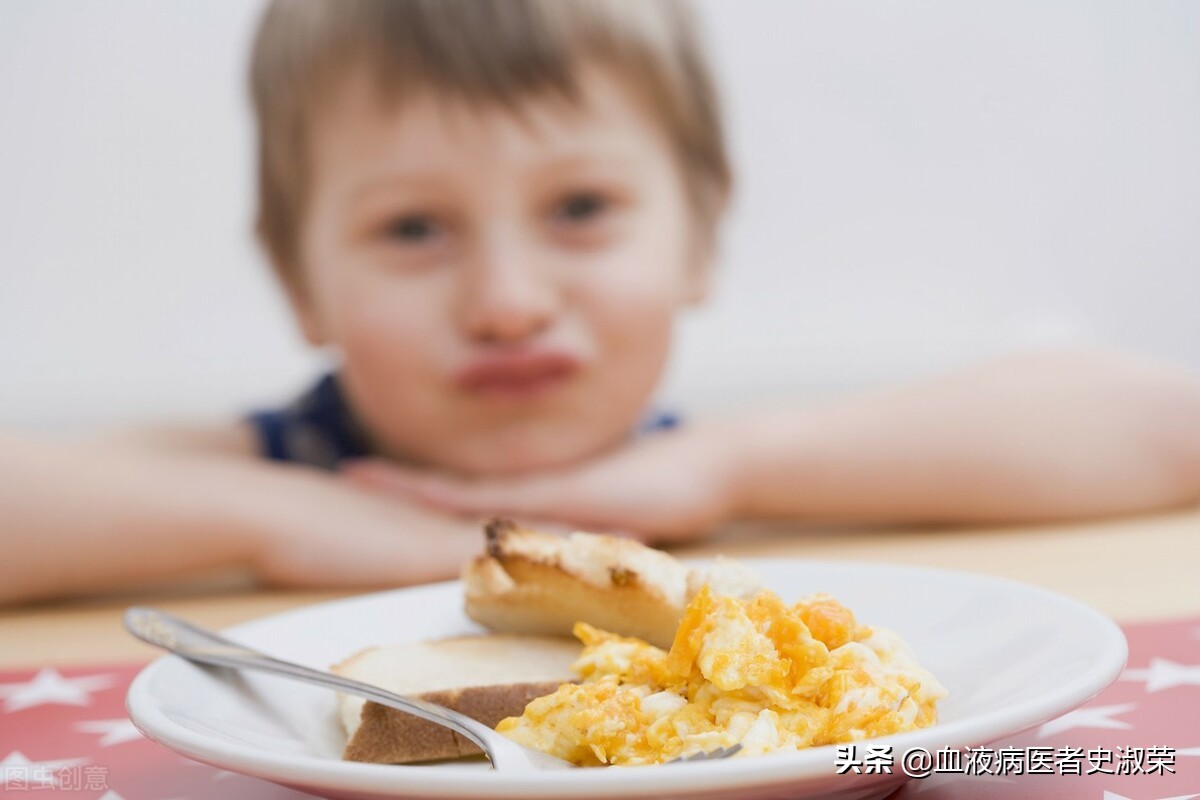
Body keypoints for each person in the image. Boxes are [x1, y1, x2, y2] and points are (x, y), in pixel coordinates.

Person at [2, 0, 1199, 605]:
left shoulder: (698, 470)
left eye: (580, 209)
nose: (509, 301)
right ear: (299, 279)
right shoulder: (283, 471)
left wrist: (726, 471)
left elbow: (1160, 417)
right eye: (413, 228)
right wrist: (278, 521)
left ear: (700, 237)